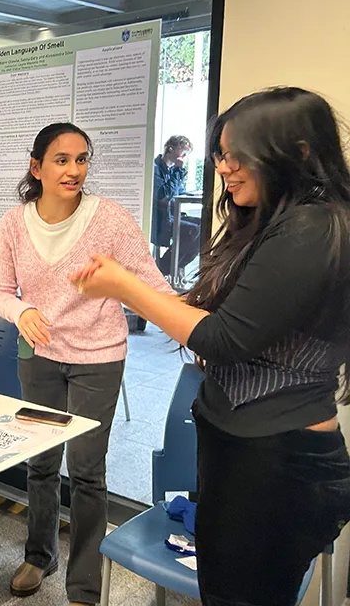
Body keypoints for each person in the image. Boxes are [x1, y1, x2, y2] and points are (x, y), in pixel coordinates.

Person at [72, 87, 350, 606]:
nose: (226, 167)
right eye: (221, 153)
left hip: (278, 461)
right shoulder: (276, 220)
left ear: (300, 151)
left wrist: (126, 288)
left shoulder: (313, 226)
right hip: (243, 448)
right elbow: (227, 317)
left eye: (240, 154)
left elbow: (223, 339)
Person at [0, 123, 172, 605]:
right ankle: (39, 555)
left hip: (98, 358)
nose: (74, 170)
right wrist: (21, 310)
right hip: (40, 356)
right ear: (37, 167)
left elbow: (152, 283)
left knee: (88, 471)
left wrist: (194, 328)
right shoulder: (13, 222)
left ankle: (84, 585)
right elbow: (1, 294)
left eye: (82, 159)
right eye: (62, 160)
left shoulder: (108, 218)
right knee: (42, 463)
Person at [151, 135, 201, 282]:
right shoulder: (155, 169)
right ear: (171, 149)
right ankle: (163, 269)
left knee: (202, 225)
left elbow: (178, 192)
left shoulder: (171, 170)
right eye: (183, 152)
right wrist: (179, 171)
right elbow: (164, 196)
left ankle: (172, 266)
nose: (185, 157)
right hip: (161, 220)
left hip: (173, 214)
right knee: (193, 231)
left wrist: (178, 174)